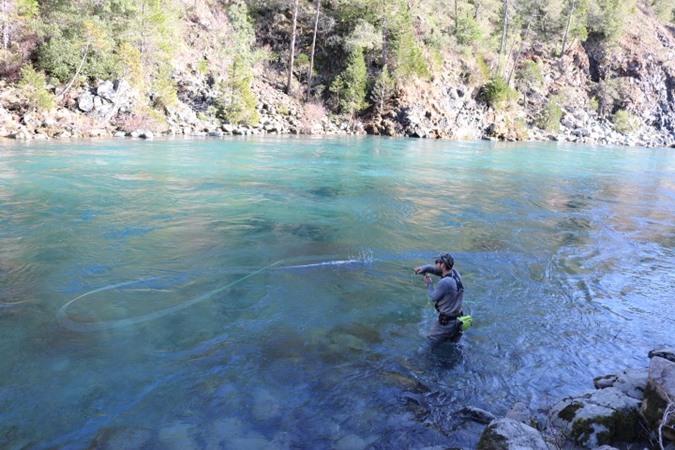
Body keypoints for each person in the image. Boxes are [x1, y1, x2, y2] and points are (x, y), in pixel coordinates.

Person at [414, 252, 465, 346]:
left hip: (446, 324)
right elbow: (437, 271)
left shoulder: (445, 282)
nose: (435, 264)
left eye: (437, 262)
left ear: (443, 265)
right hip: (458, 322)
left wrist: (429, 283)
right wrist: (424, 268)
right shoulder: (455, 273)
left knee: (428, 344)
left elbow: (433, 297)